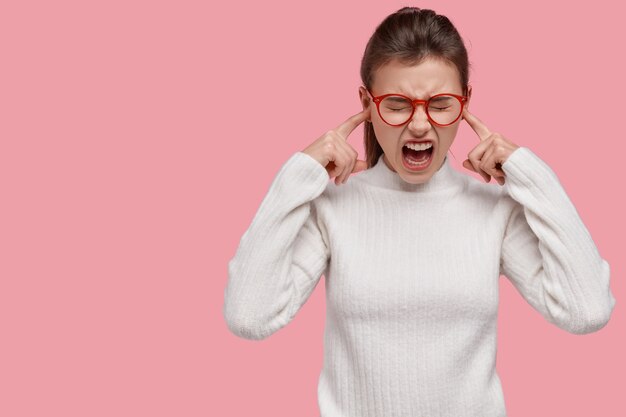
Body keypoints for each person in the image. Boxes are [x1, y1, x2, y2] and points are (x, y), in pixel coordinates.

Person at [222, 6, 616, 417]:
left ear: (466, 103)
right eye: (396, 104)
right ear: (366, 103)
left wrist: (533, 176)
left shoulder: (493, 211)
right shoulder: (333, 206)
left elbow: (586, 311)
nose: (420, 125)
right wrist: (297, 175)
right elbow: (249, 316)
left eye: (441, 104)